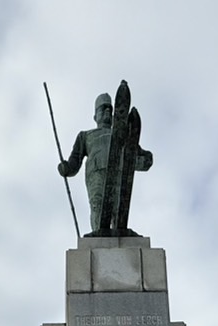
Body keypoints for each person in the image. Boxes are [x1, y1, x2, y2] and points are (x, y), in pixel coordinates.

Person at [58, 91, 153, 233]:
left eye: (110, 108)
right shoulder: (85, 136)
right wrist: (66, 168)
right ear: (95, 116)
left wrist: (141, 161)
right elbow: (74, 162)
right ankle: (98, 231)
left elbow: (139, 155)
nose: (108, 110)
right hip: (96, 173)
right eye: (103, 108)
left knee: (117, 206)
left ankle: (119, 230)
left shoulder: (121, 134)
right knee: (97, 204)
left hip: (118, 171)